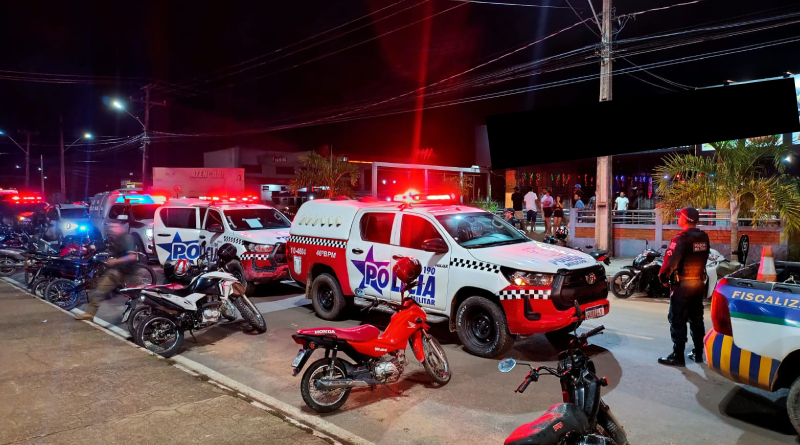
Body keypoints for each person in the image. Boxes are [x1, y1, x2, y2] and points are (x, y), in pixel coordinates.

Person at [657, 207, 711, 367]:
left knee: (677, 319)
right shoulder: (704, 237)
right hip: (698, 284)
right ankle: (698, 352)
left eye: (679, 216)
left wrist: (664, 278)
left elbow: (670, 263)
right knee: (696, 319)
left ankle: (678, 356)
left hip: (683, 286)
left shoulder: (680, 239)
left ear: (686, 219)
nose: (677, 219)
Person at [75, 222, 140, 321]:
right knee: (99, 291)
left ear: (120, 228)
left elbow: (133, 256)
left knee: (141, 294)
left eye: (114, 227)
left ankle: (152, 314)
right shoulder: (114, 239)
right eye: (110, 227)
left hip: (130, 272)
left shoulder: (127, 239)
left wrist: (115, 261)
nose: (111, 229)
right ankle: (89, 314)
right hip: (115, 272)